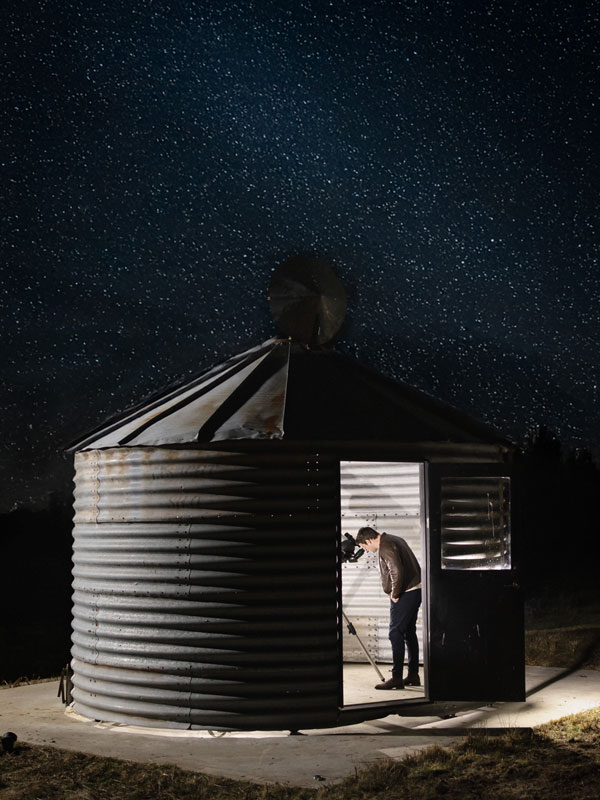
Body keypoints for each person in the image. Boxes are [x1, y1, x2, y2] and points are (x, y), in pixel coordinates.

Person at [355, 526, 421, 690]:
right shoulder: (395, 539)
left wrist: (395, 593)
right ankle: (413, 674)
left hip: (405, 593)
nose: (367, 550)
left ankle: (396, 678)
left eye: (364, 546)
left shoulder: (385, 546)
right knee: (408, 632)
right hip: (415, 590)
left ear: (368, 540)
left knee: (395, 632)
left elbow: (396, 571)